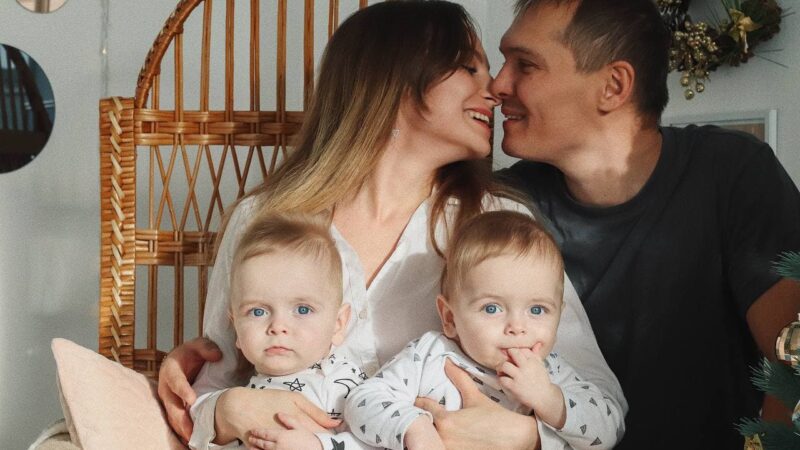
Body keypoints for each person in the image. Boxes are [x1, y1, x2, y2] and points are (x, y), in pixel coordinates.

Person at [158, 2, 626, 450]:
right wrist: (227, 411)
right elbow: (213, 384)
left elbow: (599, 398)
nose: (496, 89)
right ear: (395, 79)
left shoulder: (499, 225)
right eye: (469, 68)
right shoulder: (263, 219)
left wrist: (527, 439)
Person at [493, 0, 800, 448]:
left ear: (613, 86)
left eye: (526, 64)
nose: (498, 84)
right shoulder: (503, 204)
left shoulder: (733, 172)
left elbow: (791, 367)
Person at [345, 211, 623, 450]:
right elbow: (362, 402)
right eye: (492, 308)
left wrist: (550, 400)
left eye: (537, 310)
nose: (517, 327)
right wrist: (415, 429)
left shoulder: (553, 373)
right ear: (450, 318)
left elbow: (609, 431)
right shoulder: (431, 355)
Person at [189, 212, 376, 450]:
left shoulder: (345, 385)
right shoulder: (240, 395)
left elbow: (380, 441)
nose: (278, 327)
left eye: (302, 309)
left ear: (338, 323)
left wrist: (320, 445)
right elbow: (195, 427)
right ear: (236, 327)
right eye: (258, 312)